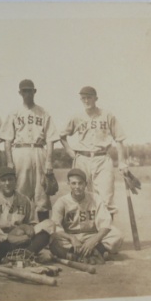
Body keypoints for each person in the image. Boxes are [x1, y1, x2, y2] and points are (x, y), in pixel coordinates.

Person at [60, 86, 127, 215]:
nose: (86, 101)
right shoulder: (77, 116)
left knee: (105, 199)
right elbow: (62, 135)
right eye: (83, 98)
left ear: (96, 98)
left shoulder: (107, 114)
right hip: (82, 159)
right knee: (81, 197)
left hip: (102, 158)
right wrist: (70, 152)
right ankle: (86, 233)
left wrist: (122, 162)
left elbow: (119, 138)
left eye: (89, 97)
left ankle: (105, 233)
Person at [0, 79, 59, 221]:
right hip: (20, 151)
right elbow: (7, 140)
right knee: (20, 192)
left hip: (39, 151)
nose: (27, 93)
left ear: (34, 91)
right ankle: (19, 232)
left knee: (42, 194)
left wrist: (49, 162)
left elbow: (50, 139)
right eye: (24, 91)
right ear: (20, 93)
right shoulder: (14, 113)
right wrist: (9, 162)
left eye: (29, 90)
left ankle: (44, 233)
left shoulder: (43, 112)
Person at [41, 168, 123, 264]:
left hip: (92, 235)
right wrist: (72, 238)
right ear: (69, 184)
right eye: (74, 183)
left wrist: (93, 240)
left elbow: (105, 224)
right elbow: (56, 228)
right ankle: (95, 253)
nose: (77, 186)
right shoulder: (62, 202)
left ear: (86, 184)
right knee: (54, 240)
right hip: (71, 237)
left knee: (117, 235)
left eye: (80, 183)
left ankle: (80, 255)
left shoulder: (95, 198)